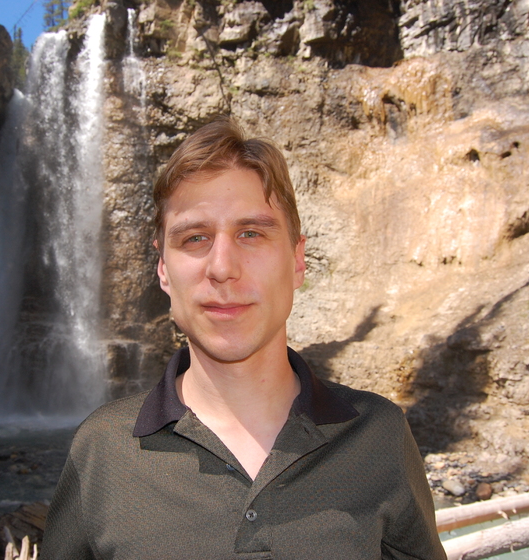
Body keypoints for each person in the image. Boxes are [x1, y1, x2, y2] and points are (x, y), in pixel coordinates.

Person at [41, 118, 446, 559]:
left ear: (297, 261)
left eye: (250, 233)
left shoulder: (376, 435)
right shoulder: (102, 449)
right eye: (195, 238)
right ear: (163, 270)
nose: (222, 267)